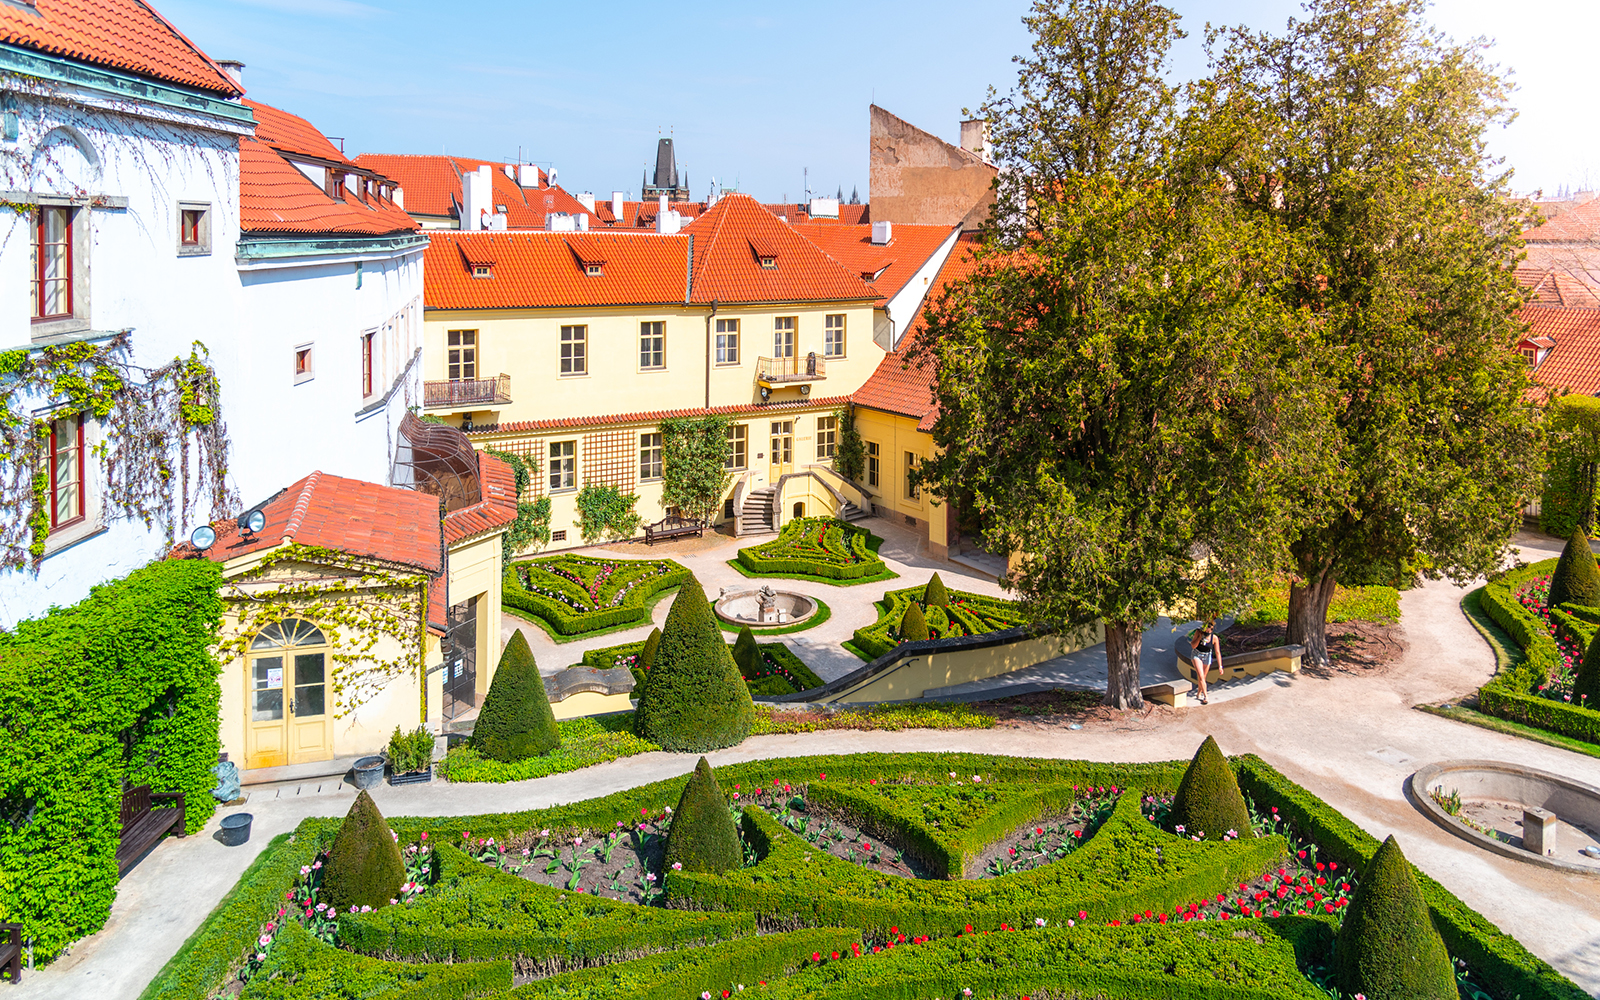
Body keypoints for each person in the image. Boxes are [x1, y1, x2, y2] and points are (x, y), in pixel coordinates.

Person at [1187, 621, 1221, 705]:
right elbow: (1193, 646)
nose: (1207, 632)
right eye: (1206, 630)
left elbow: (1217, 652)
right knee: (1201, 676)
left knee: (1203, 677)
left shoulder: (1214, 638)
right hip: (1197, 654)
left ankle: (1198, 693)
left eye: (1209, 631)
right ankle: (1206, 696)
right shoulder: (1198, 632)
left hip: (1207, 656)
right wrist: (1199, 638)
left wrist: (1220, 666)